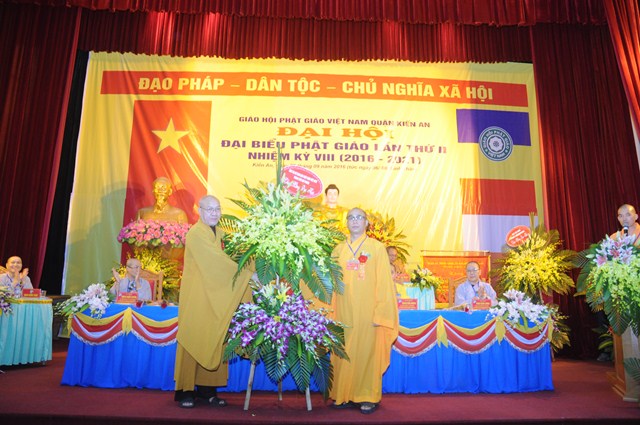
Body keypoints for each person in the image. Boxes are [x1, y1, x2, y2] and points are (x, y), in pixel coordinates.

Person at [173, 195, 256, 408]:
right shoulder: (195, 234)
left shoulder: (220, 233)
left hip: (216, 295)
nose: (214, 213)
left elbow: (232, 257)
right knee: (194, 337)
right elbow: (216, 262)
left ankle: (207, 391)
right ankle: (186, 391)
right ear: (199, 211)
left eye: (217, 209)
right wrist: (246, 275)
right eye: (209, 209)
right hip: (198, 295)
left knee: (215, 337)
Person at [330, 208, 399, 414]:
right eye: (351, 217)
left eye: (359, 217)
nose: (355, 221)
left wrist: (381, 312)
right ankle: (343, 394)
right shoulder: (338, 250)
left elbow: (385, 282)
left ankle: (367, 396)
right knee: (343, 351)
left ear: (366, 223)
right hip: (343, 311)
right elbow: (329, 282)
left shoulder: (377, 248)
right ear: (346, 222)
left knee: (367, 354)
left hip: (368, 312)